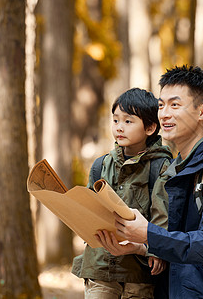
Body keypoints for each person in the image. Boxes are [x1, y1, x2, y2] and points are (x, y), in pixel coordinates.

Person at [97, 65, 203, 298]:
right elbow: (181, 242)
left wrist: (149, 234)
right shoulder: (177, 167)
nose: (164, 114)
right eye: (161, 105)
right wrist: (141, 246)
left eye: (175, 105)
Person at [72, 88, 173, 299]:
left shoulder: (160, 167)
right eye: (116, 120)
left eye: (128, 121)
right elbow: (89, 209)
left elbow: (162, 214)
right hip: (99, 268)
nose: (119, 127)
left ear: (150, 127)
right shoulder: (101, 165)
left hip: (138, 273)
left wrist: (155, 250)